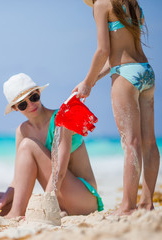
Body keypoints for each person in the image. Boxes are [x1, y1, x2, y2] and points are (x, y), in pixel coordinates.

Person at [73, 0, 160, 215]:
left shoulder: (101, 5)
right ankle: (147, 203)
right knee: (149, 142)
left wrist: (86, 82)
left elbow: (103, 50)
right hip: (146, 72)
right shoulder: (133, 4)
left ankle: (127, 206)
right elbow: (118, 55)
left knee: (130, 143)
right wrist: (90, 81)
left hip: (125, 77)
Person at [0, 73, 103, 218]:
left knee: (28, 145)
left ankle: (16, 214)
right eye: (23, 104)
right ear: (16, 108)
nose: (31, 105)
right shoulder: (22, 131)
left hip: (84, 199)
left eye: (33, 97)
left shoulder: (62, 118)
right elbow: (18, 177)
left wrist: (46, 204)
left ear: (38, 93)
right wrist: (5, 198)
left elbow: (59, 171)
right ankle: (15, 211)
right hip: (60, 197)